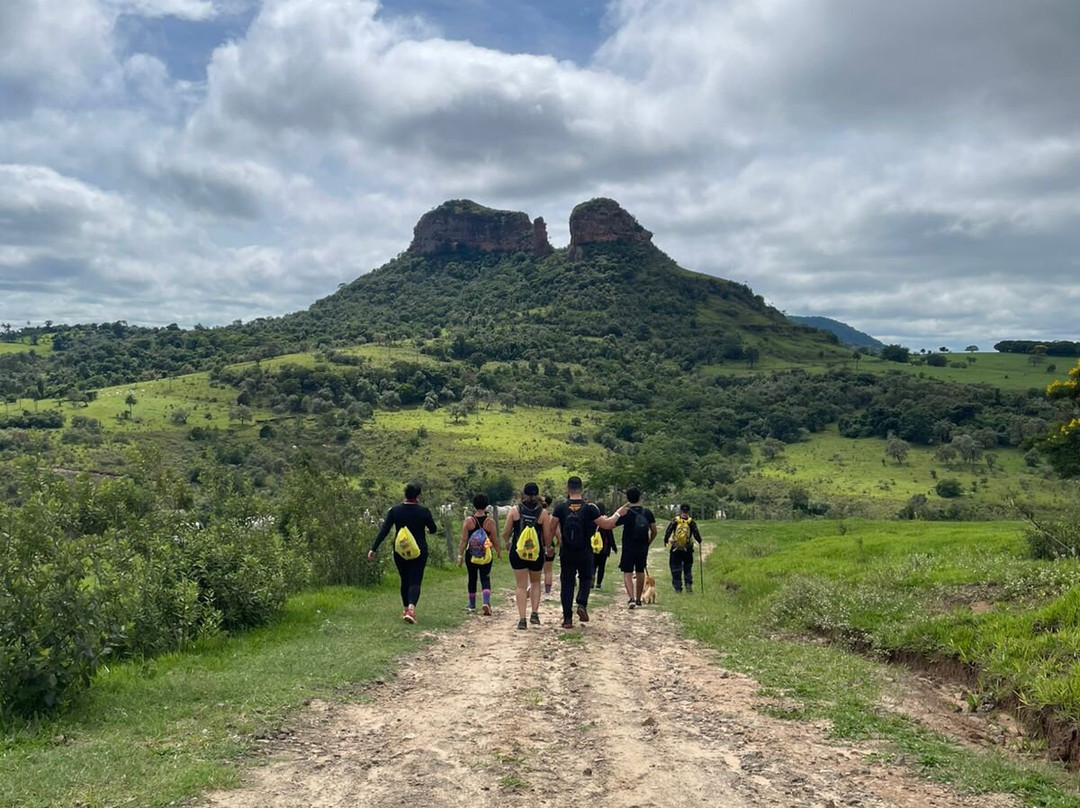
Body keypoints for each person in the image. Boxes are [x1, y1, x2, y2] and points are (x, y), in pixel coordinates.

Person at [545, 476, 625, 629]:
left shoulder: (560, 507)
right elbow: (607, 525)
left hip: (567, 551)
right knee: (586, 578)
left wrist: (549, 547)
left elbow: (551, 528)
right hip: (585, 551)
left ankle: (567, 618)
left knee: (567, 582)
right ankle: (581, 603)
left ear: (568, 489)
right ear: (581, 489)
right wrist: (618, 513)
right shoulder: (590, 508)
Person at [368, 481, 439, 624]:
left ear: (405, 495)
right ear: (418, 496)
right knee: (415, 580)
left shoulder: (394, 511)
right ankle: (411, 610)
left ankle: (406, 609)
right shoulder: (424, 511)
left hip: (400, 550)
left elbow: (384, 530)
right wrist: (427, 530)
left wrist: (373, 548)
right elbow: (433, 529)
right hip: (419, 550)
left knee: (404, 579)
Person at [501, 482, 548, 630]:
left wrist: (508, 542)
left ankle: (522, 619)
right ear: (538, 495)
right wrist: (548, 548)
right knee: (535, 583)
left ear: (523, 494)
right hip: (536, 554)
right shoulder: (543, 513)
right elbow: (547, 536)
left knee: (521, 585)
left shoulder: (515, 511)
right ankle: (534, 613)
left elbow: (505, 532)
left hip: (518, 553)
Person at [458, 493, 502, 615]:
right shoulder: (490, 522)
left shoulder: (468, 521)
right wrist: (498, 552)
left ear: (474, 505)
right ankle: (486, 602)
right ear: (486, 505)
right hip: (485, 554)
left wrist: (460, 556)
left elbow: (463, 540)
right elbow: (494, 539)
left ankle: (472, 605)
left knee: (472, 578)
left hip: (471, 555)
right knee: (485, 578)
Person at [615, 486, 657, 609]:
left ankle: (631, 598)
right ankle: (639, 599)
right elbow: (654, 531)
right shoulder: (647, 513)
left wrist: (621, 509)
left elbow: (612, 523)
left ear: (628, 498)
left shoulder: (626, 512)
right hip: (642, 546)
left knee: (627, 572)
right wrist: (648, 542)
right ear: (640, 497)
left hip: (628, 546)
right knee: (640, 571)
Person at [664, 504, 703, 593]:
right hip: (688, 548)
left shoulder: (675, 521)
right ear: (688, 511)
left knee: (675, 568)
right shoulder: (691, 522)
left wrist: (666, 540)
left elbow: (668, 531)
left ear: (680, 510)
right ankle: (688, 585)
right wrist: (699, 541)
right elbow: (696, 533)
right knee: (688, 567)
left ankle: (678, 588)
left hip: (676, 548)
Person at [592, 503, 618, 589]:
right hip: (604, 547)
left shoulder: (593, 520)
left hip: (593, 546)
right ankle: (598, 584)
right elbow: (610, 535)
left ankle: (591, 577)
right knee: (601, 566)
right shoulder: (606, 521)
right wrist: (614, 547)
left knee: (593, 564)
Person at [541, 494, 556, 596]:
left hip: (537, 544)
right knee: (548, 570)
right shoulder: (551, 517)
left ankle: (532, 588)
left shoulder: (537, 515)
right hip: (549, 544)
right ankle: (547, 593)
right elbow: (557, 532)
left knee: (534, 570)